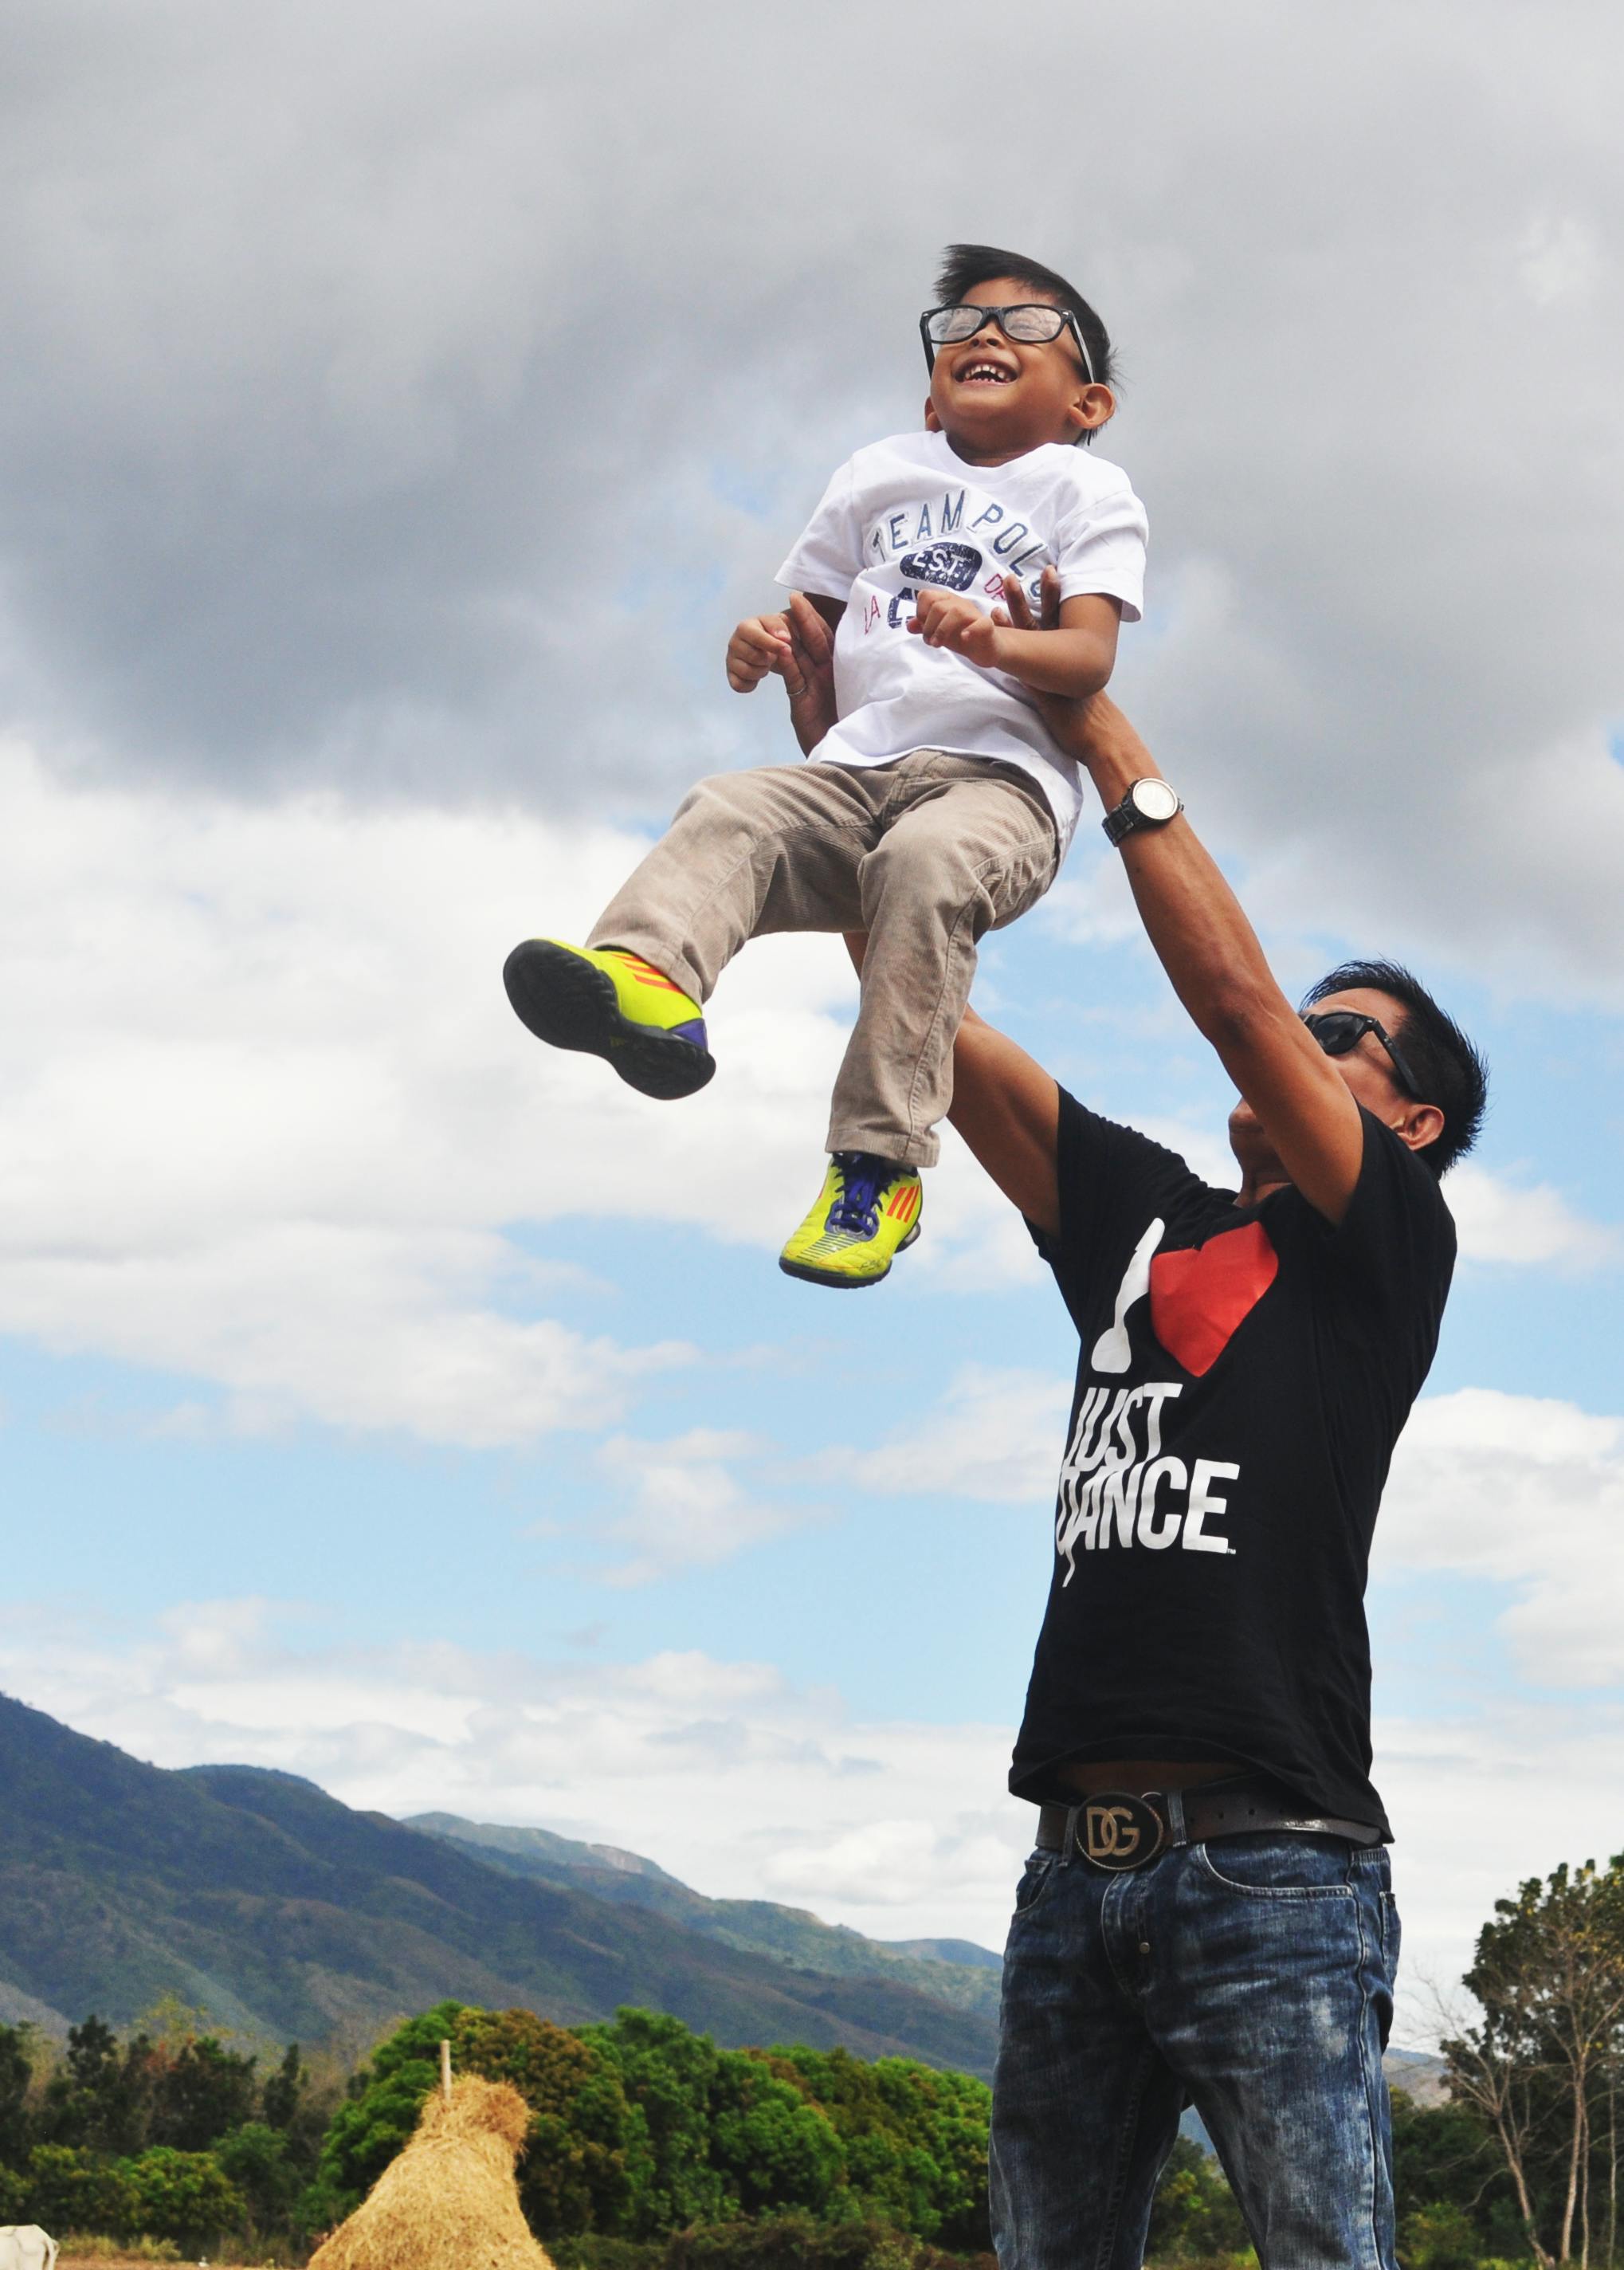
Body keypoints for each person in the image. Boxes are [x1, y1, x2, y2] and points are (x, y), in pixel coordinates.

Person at [790, 578, 1489, 2267]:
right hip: (1066, 1881)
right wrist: (854, 749)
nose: (1296, 1039)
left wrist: (1098, 727)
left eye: (1346, 1040)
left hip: (1273, 1874)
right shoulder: (1146, 1222)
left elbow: (1236, 1004)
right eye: (1310, 1021)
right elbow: (924, 1009)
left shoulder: (1385, 1250)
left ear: (1404, 1116)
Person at [501, 244, 1147, 1288]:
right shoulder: (876, 472)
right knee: (731, 808)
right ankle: (647, 979)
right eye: (961, 329)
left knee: (926, 866)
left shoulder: (1086, 487)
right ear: (931, 401)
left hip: (998, 785)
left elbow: (1088, 654)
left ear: (1088, 402)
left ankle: (877, 1167)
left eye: (1029, 326)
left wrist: (992, 644)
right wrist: (765, 647)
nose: (986, 336)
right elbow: (816, 629)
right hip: (855, 773)